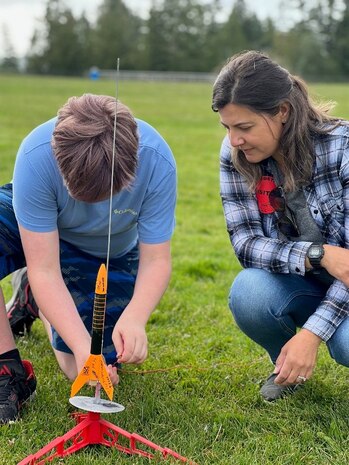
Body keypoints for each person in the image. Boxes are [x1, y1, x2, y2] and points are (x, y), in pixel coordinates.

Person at [0, 93, 176, 423]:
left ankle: (35, 299)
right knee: (82, 351)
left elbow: (156, 260)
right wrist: (83, 347)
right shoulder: (36, 155)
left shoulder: (156, 161)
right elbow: (45, 267)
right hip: (39, 233)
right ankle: (5, 369)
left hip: (107, 251)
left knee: (77, 368)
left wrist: (135, 317)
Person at [212, 50, 349, 401]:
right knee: (250, 293)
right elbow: (245, 244)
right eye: (227, 127)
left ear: (282, 112)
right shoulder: (235, 155)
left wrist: (312, 335)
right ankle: (287, 368)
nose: (234, 141)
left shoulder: (343, 149)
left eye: (244, 127)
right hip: (305, 277)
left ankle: (303, 352)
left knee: (347, 345)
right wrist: (316, 255)